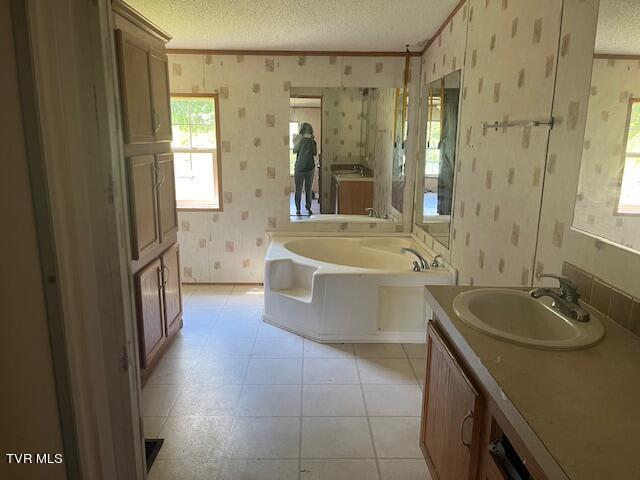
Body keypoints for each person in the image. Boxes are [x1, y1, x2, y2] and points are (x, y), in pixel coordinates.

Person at [292, 122, 317, 215]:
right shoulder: (298, 139)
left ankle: (309, 208)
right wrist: (301, 140)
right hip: (299, 168)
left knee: (308, 190)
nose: (307, 133)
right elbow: (294, 151)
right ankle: (298, 209)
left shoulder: (312, 141)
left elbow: (314, 152)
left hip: (310, 168)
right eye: (305, 131)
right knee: (298, 190)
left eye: (308, 131)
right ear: (302, 132)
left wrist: (311, 140)